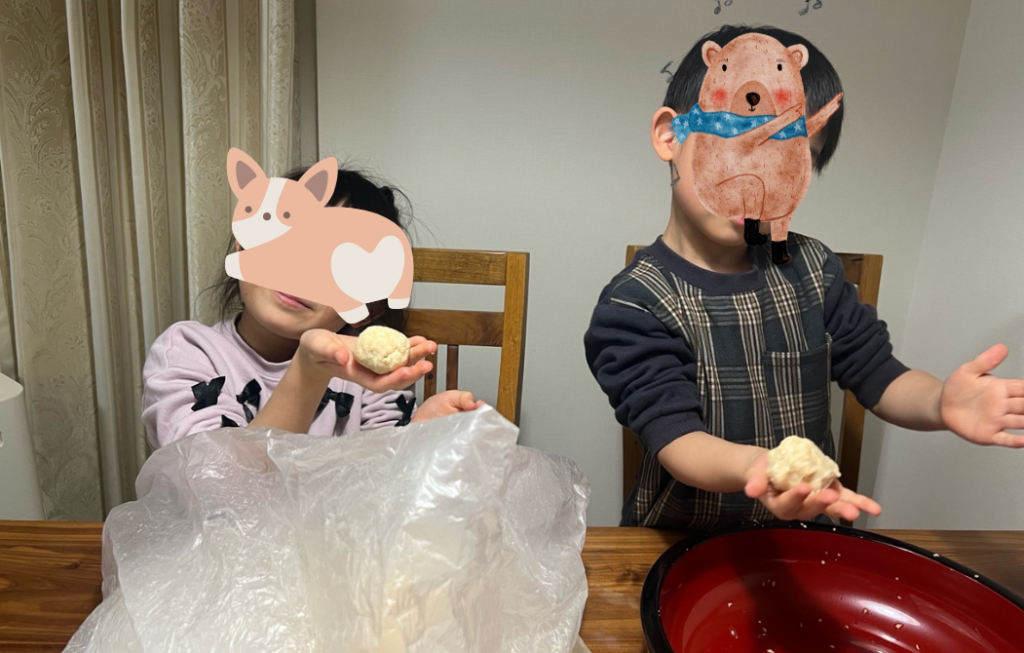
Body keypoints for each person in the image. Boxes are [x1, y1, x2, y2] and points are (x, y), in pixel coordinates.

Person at [584, 24, 1024, 530]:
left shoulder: (814, 269)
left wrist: (940, 402)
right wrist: (760, 468)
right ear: (670, 136)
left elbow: (880, 376)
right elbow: (676, 438)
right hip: (687, 541)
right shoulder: (634, 304)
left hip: (806, 536)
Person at [143, 165, 483, 450]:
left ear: (369, 309)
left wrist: (417, 440)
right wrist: (308, 372)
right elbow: (214, 487)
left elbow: (380, 488)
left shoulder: (368, 378)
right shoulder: (188, 352)